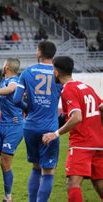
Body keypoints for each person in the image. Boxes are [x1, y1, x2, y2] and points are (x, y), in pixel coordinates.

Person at [42, 56, 103, 202]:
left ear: (56, 72)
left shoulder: (68, 90)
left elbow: (77, 117)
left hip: (82, 144)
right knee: (100, 184)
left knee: (73, 184)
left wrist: (55, 134)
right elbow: (101, 107)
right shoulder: (86, 87)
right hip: (99, 144)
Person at [12, 41, 61, 202]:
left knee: (35, 168)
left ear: (39, 52)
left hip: (31, 126)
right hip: (50, 128)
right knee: (48, 171)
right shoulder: (58, 73)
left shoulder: (27, 72)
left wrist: (27, 108)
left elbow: (16, 99)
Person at [0, 58, 25, 201]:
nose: (2, 66)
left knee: (5, 164)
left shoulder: (15, 80)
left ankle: (8, 197)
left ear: (6, 66)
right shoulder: (3, 81)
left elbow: (11, 89)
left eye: (3, 64)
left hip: (14, 127)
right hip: (2, 125)